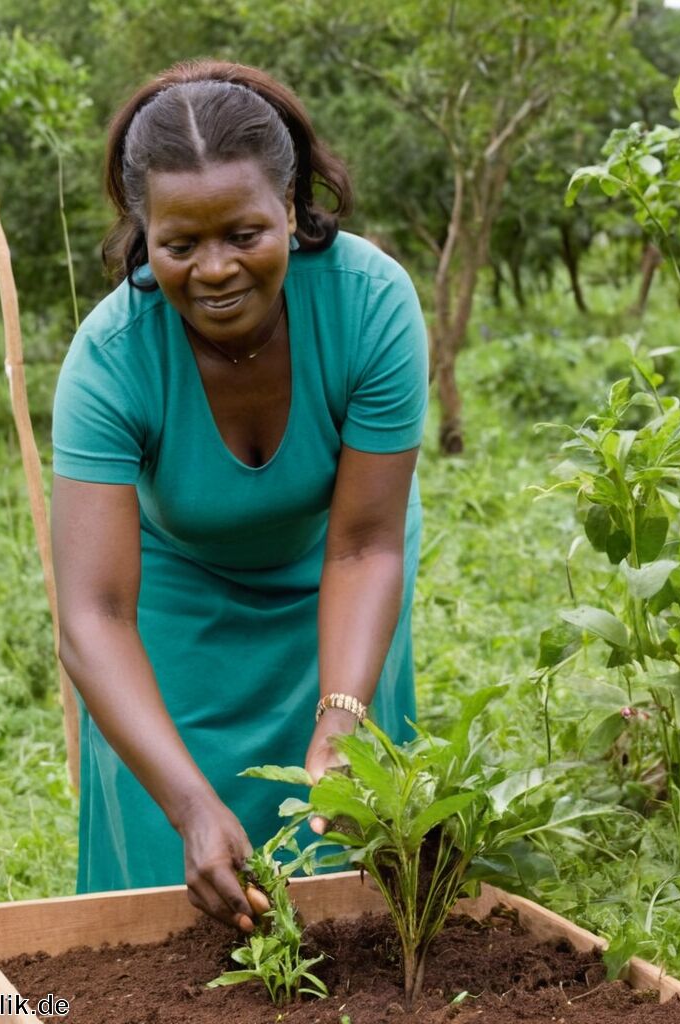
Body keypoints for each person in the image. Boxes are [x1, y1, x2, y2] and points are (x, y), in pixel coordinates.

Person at [50, 59, 428, 934]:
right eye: (180, 245)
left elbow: (367, 545)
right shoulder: (112, 358)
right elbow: (95, 615)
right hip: (176, 589)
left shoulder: (370, 305)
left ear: (291, 213)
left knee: (346, 842)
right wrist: (189, 808)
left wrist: (340, 720)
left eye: (246, 233)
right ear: (144, 235)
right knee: (168, 868)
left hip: (341, 562)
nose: (215, 270)